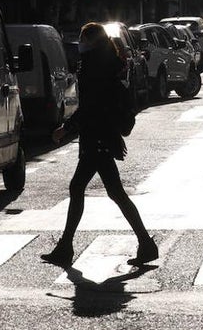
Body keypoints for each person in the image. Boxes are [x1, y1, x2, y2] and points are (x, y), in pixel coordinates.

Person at [41, 22, 157, 267]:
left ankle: (66, 247)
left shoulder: (94, 67)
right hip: (102, 137)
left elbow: (91, 107)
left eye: (83, 39)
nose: (80, 43)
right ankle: (145, 244)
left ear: (92, 42)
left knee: (81, 188)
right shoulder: (105, 64)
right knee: (113, 193)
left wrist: (66, 128)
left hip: (97, 138)